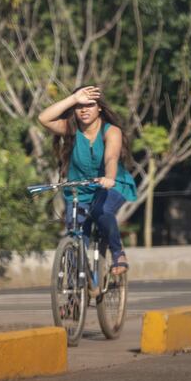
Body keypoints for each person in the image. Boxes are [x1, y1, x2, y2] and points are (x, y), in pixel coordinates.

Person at [38, 85, 137, 282]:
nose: (84, 110)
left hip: (111, 185)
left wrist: (109, 177)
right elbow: (44, 118)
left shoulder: (111, 131)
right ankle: (80, 288)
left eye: (90, 105)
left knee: (102, 211)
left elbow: (111, 157)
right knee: (76, 233)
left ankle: (118, 253)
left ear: (99, 107)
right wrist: (73, 98)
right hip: (79, 189)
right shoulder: (70, 129)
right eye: (80, 106)